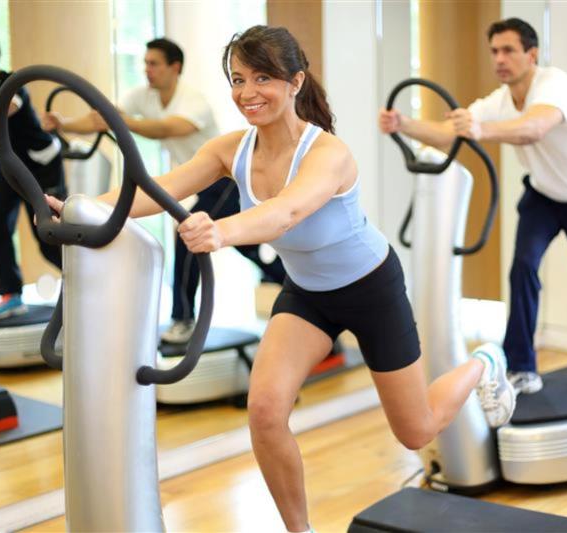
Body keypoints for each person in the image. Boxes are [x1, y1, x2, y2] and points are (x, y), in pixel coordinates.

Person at [45, 25, 516, 533]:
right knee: (266, 412)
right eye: (238, 78)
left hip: (370, 288)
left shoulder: (327, 153)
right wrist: (81, 210)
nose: (248, 93)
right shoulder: (232, 150)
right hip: (308, 294)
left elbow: (286, 213)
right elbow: (155, 190)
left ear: (295, 82)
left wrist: (219, 231)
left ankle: (486, 362)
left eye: (263, 78)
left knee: (416, 429)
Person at [379, 18, 567, 395]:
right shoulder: (497, 101)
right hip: (542, 197)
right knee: (522, 269)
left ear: (531, 55)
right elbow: (451, 134)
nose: (499, 59)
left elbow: (534, 127)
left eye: (508, 50)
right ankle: (522, 367)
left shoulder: (555, 85)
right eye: (495, 51)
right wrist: (404, 124)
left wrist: (480, 131)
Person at [43, 37, 285, 344]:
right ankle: (292, 284)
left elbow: (171, 128)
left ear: (175, 67)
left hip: (229, 179)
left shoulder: (191, 99)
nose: (147, 70)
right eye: (145, 63)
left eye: (154, 63)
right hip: (200, 179)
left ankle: (182, 318)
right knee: (248, 247)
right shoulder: (144, 97)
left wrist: (123, 122)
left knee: (186, 236)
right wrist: (64, 124)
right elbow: (102, 119)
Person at [0, 30, 64, 319]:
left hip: (40, 165)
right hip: (10, 165)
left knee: (49, 232)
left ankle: (89, 281)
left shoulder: (13, 84)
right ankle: (11, 294)